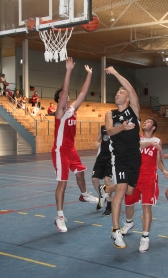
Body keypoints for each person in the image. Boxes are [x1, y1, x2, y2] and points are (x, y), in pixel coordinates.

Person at [52, 57, 98, 233]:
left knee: (80, 173)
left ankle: (84, 194)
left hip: (71, 149)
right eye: (64, 97)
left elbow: (83, 94)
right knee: (62, 183)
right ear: (60, 100)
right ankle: (60, 217)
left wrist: (89, 75)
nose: (67, 97)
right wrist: (69, 70)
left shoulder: (72, 110)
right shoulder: (60, 111)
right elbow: (65, 91)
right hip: (60, 150)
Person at [98, 66, 141, 249]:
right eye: (116, 92)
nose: (118, 93)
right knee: (122, 190)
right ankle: (115, 230)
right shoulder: (111, 114)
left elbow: (130, 88)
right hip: (119, 157)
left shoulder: (134, 111)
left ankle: (106, 188)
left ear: (128, 98)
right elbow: (109, 131)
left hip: (134, 157)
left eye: (120, 91)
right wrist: (121, 128)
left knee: (130, 191)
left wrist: (115, 73)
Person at [121, 118, 168, 252]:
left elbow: (158, 160)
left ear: (153, 127)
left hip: (149, 178)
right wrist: (149, 143)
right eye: (145, 121)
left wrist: (164, 169)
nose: (145, 123)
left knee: (146, 207)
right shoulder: (136, 137)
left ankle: (145, 238)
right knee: (128, 204)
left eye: (148, 122)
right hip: (134, 176)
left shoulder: (158, 141)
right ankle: (129, 223)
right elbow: (133, 147)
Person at [92, 125, 112, 216]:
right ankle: (101, 196)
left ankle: (109, 206)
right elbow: (98, 139)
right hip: (101, 157)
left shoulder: (118, 127)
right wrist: (96, 142)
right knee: (94, 179)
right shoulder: (103, 127)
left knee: (107, 181)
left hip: (111, 158)